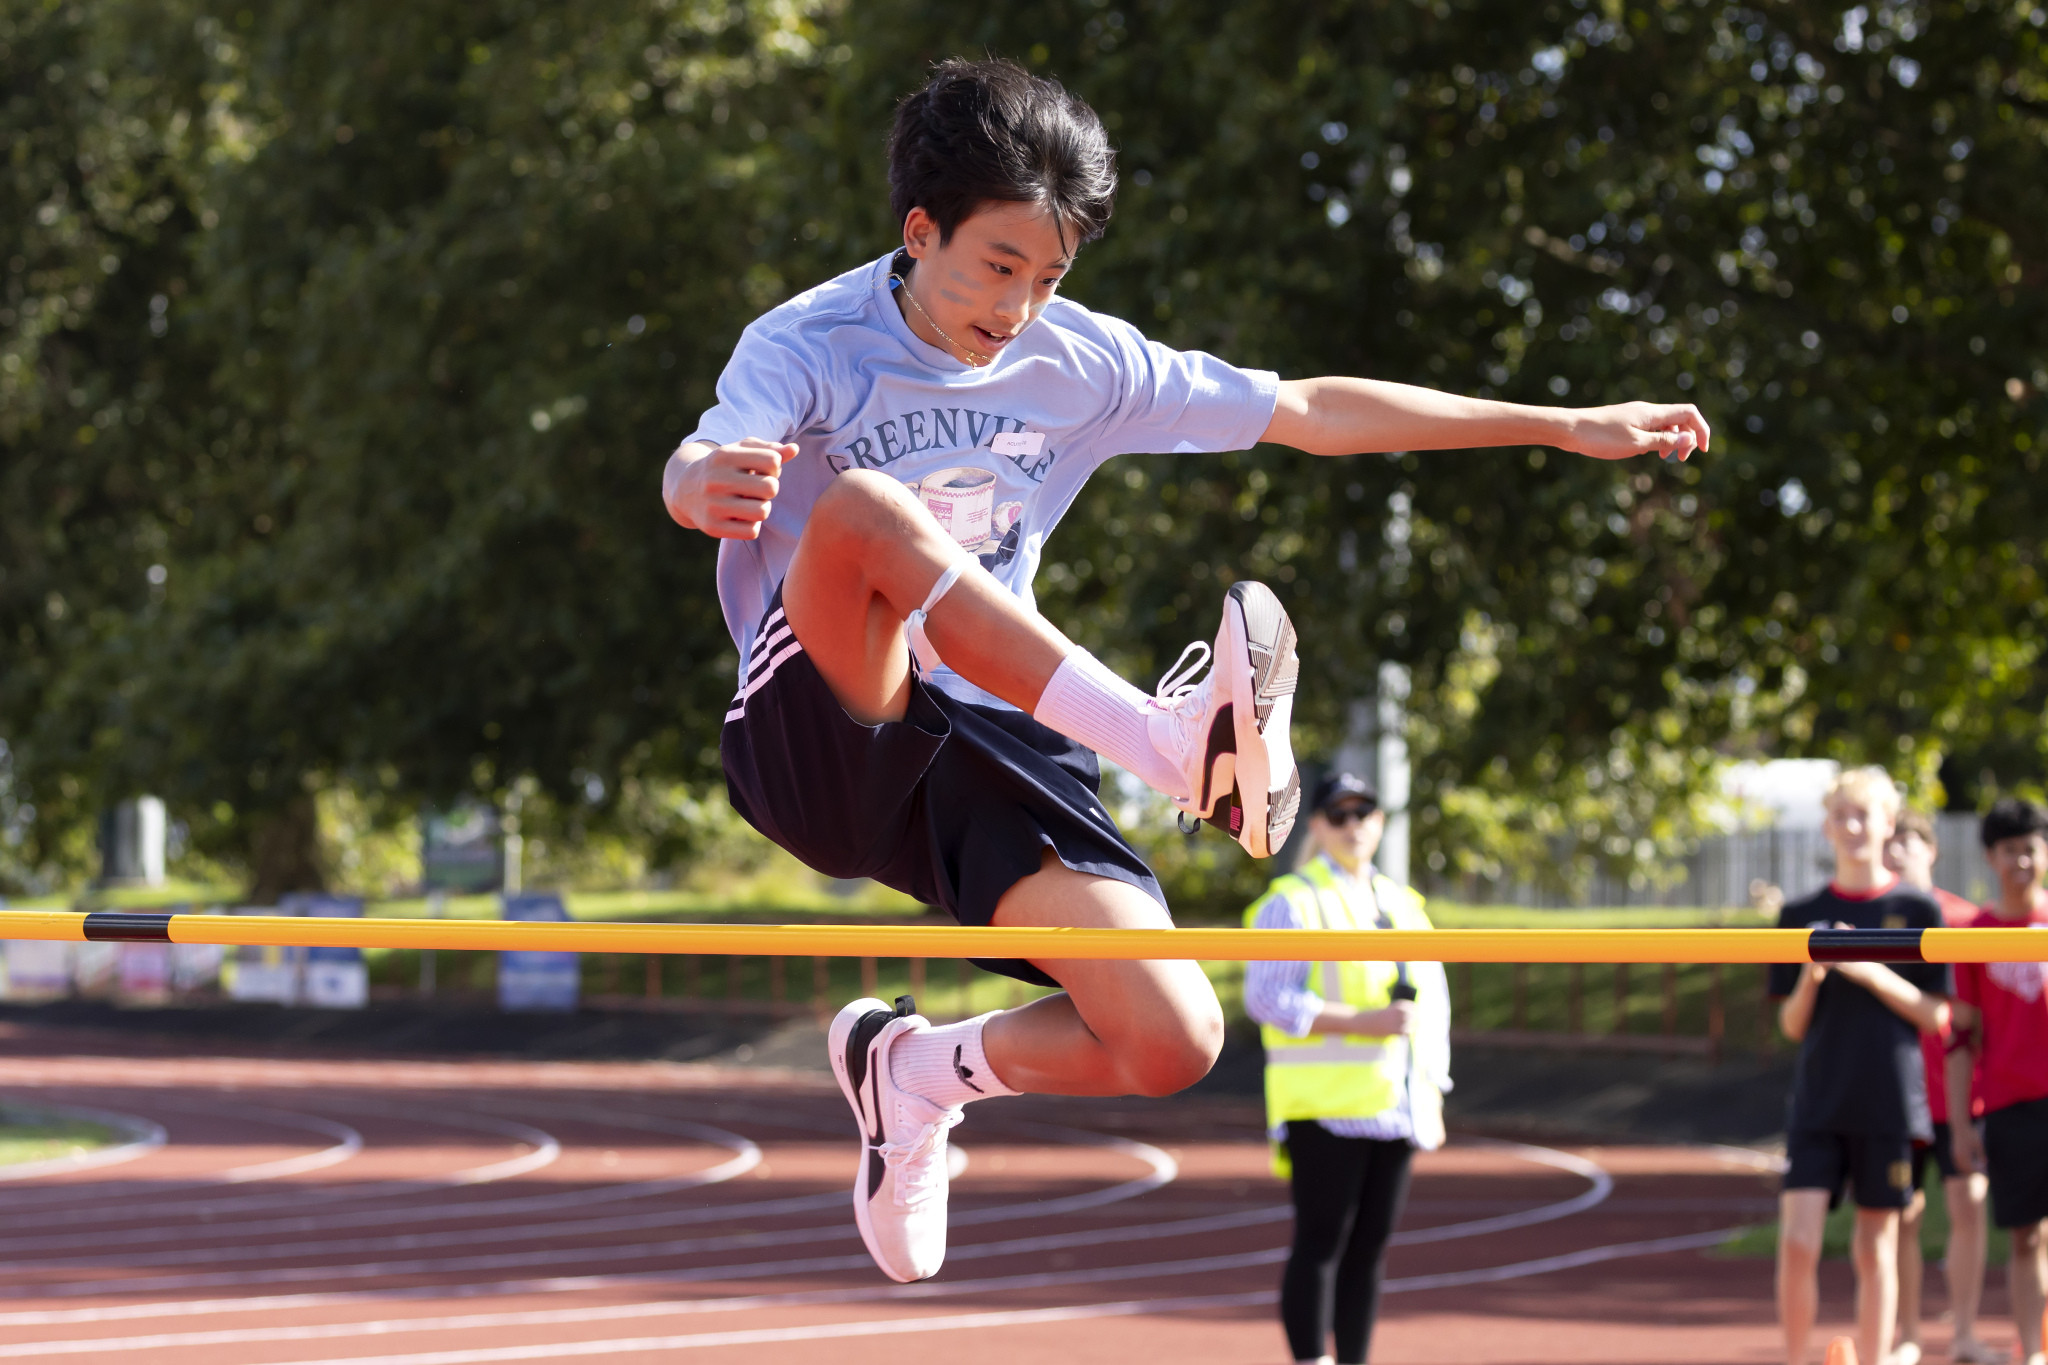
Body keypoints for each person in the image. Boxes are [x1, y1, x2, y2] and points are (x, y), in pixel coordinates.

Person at [662, 57, 1708, 1284]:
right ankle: (1162, 743)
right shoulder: (808, 342)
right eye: (997, 267)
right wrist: (697, 484)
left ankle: (916, 1074)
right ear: (919, 229)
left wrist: (1558, 425)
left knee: (1169, 1037)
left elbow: (1309, 411)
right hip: (826, 722)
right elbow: (704, 454)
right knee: (865, 515)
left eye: (1049, 278)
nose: (1019, 305)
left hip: (995, 737)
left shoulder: (1082, 363)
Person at [1242, 772, 1450, 1365]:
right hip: (1325, 1104)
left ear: (1381, 823)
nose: (1353, 825)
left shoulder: (1405, 905)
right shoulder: (1293, 901)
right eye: (1339, 815)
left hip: (1397, 1104)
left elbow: (1434, 1005)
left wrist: (1433, 1085)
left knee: (1370, 1251)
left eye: (1364, 813)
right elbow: (1267, 999)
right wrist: (1364, 1023)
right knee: (1321, 1243)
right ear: (1317, 825)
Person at [1769, 766, 1952, 1365]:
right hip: (1819, 1101)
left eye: (1863, 815)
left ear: (1888, 824)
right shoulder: (1801, 911)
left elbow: (1937, 1015)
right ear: (1825, 826)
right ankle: (1795, 1359)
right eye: (1840, 816)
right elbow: (1791, 1025)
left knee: (1876, 1249)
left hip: (1888, 1100)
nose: (1851, 827)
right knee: (1798, 1242)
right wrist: (1814, 973)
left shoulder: (1916, 906)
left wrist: (1869, 970)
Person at [1886, 808, 2000, 1365]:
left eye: (1907, 841)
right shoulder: (1874, 921)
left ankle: (1965, 1334)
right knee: (1901, 1215)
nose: (1895, 851)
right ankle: (1907, 1336)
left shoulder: (1965, 921)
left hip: (1960, 1092)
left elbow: (1983, 1011)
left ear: (1930, 850)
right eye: (1889, 842)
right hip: (1897, 1093)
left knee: (1968, 1206)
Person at [1949, 798, 2048, 1365]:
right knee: (2026, 1235)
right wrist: (1962, 1123)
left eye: (2030, 849)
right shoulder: (1975, 935)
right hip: (2011, 1103)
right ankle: (2032, 1352)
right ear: (1991, 857)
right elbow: (1962, 1035)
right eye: (2009, 851)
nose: (2021, 862)